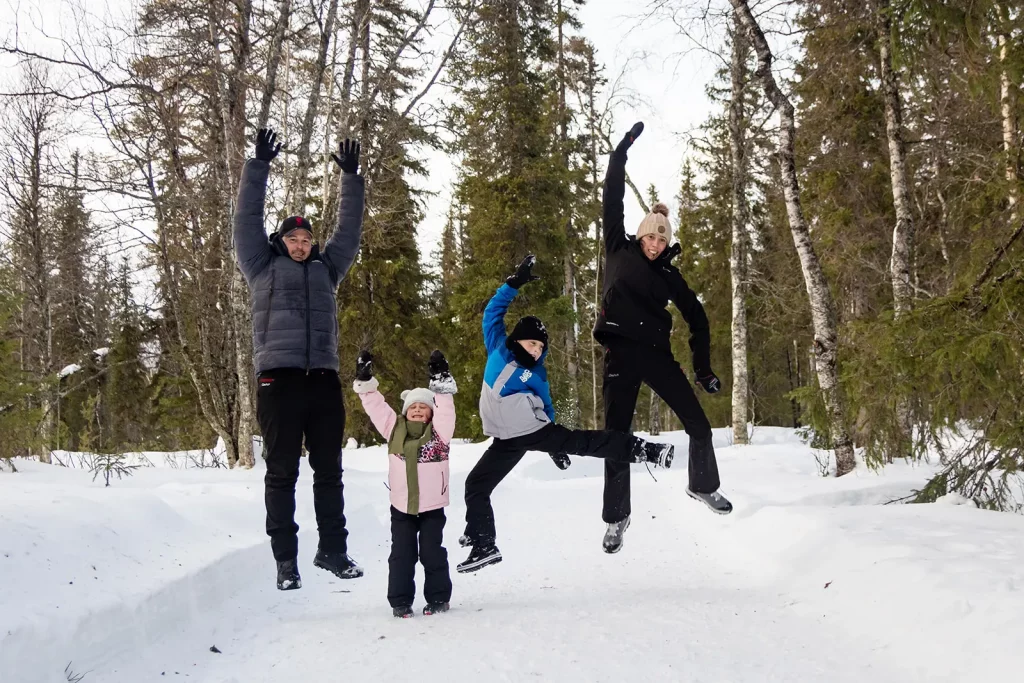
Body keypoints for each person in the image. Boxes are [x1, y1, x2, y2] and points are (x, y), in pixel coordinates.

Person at [458, 255, 676, 574]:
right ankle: (482, 541)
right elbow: (493, 312)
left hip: (534, 431)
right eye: (532, 343)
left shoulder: (537, 374)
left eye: (540, 347)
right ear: (517, 339)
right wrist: (513, 284)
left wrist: (554, 446)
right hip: (505, 441)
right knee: (476, 485)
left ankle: (648, 450)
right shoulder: (497, 348)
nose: (536, 350)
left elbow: (546, 407)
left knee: (589, 443)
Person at [234, 128, 366, 590]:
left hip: (323, 380)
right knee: (282, 473)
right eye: (293, 238)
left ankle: (333, 551)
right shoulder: (260, 265)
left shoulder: (327, 269)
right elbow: (245, 219)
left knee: (329, 472)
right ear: (281, 240)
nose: (301, 244)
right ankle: (285, 562)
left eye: (307, 238)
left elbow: (349, 232)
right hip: (279, 381)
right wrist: (259, 166)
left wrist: (351, 178)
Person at [595, 121, 733, 555]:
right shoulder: (617, 247)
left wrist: (702, 368)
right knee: (616, 437)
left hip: (655, 354)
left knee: (699, 424)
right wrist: (620, 152)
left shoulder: (670, 275)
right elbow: (612, 195)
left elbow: (698, 317)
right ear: (640, 234)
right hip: (619, 352)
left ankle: (702, 485)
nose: (655, 243)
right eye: (650, 236)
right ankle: (617, 518)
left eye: (661, 238)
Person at [352, 349, 457, 618]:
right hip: (401, 507)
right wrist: (365, 382)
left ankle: (438, 598)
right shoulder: (393, 429)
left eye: (423, 407)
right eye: (413, 407)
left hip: (432, 507)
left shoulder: (439, 434)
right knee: (401, 555)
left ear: (431, 413)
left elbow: (446, 411)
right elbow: (376, 408)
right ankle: (400, 601)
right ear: (405, 412)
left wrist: (441, 382)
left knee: (432, 553)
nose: (418, 410)